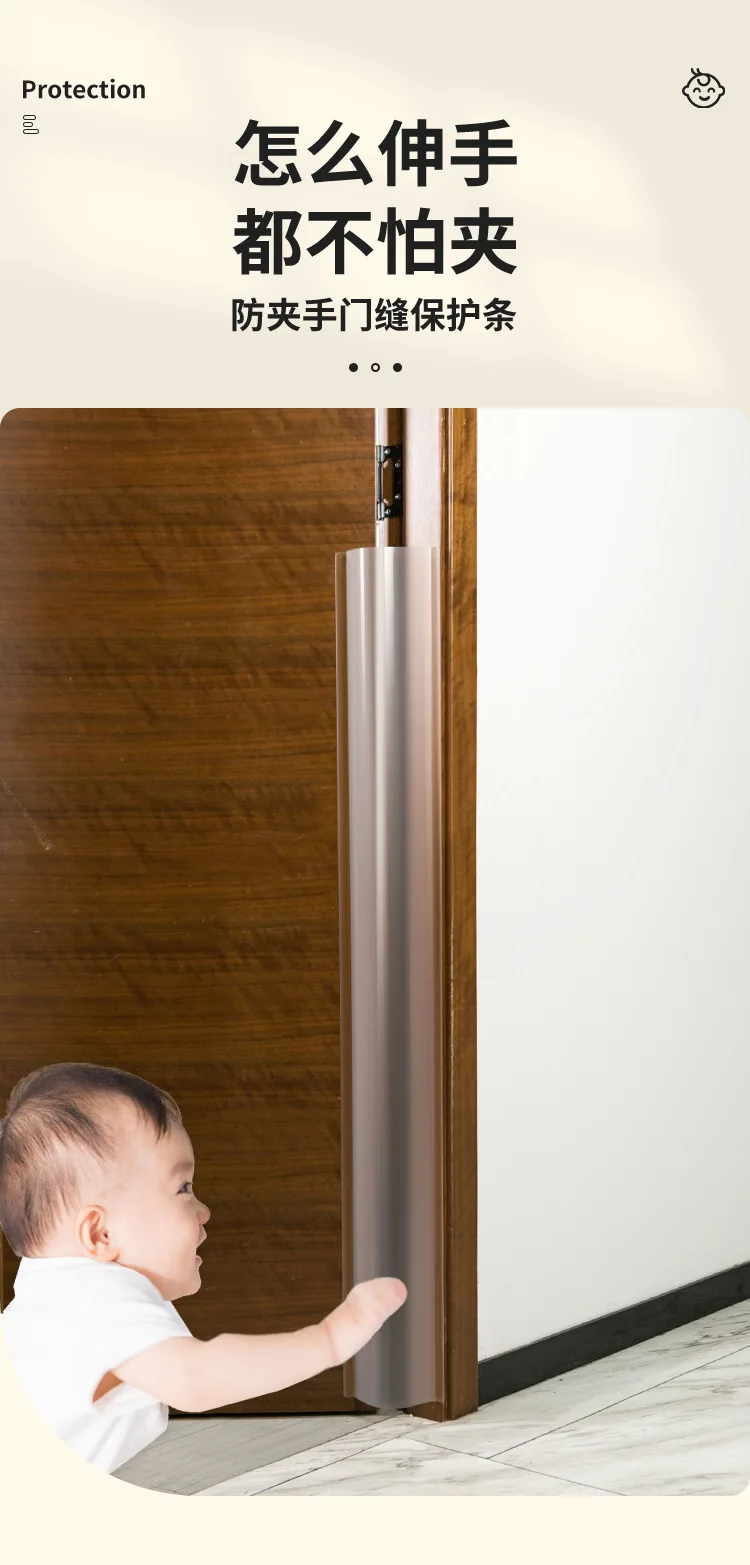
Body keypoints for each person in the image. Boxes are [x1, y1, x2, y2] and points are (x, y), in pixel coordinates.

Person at [0, 1062, 406, 1474]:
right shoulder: (97, 1297)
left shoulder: (50, 1297)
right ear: (100, 1233)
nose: (204, 1211)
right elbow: (195, 1378)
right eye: (183, 1189)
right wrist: (329, 1340)